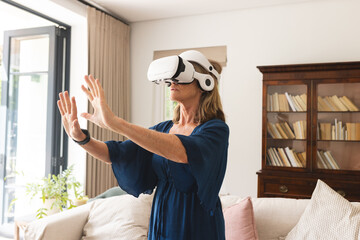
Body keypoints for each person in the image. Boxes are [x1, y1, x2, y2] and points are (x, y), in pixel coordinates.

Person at [57, 50, 229, 240]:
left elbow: (182, 152)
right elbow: (116, 153)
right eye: (172, 77)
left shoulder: (215, 130)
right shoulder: (164, 129)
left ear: (205, 83)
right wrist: (81, 138)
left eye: (181, 77)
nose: (173, 82)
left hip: (197, 224)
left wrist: (116, 123)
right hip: (161, 219)